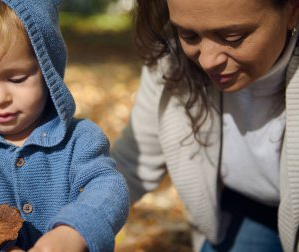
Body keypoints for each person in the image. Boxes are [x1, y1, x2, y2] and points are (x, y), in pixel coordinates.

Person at [0, 0, 129, 251]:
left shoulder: (80, 139)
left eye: (17, 79)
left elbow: (107, 188)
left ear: (47, 67)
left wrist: (73, 232)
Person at [111, 0, 299, 251]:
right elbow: (131, 163)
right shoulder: (172, 59)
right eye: (189, 35)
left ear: (293, 12)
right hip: (240, 205)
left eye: (233, 36)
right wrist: (75, 224)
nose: (208, 60)